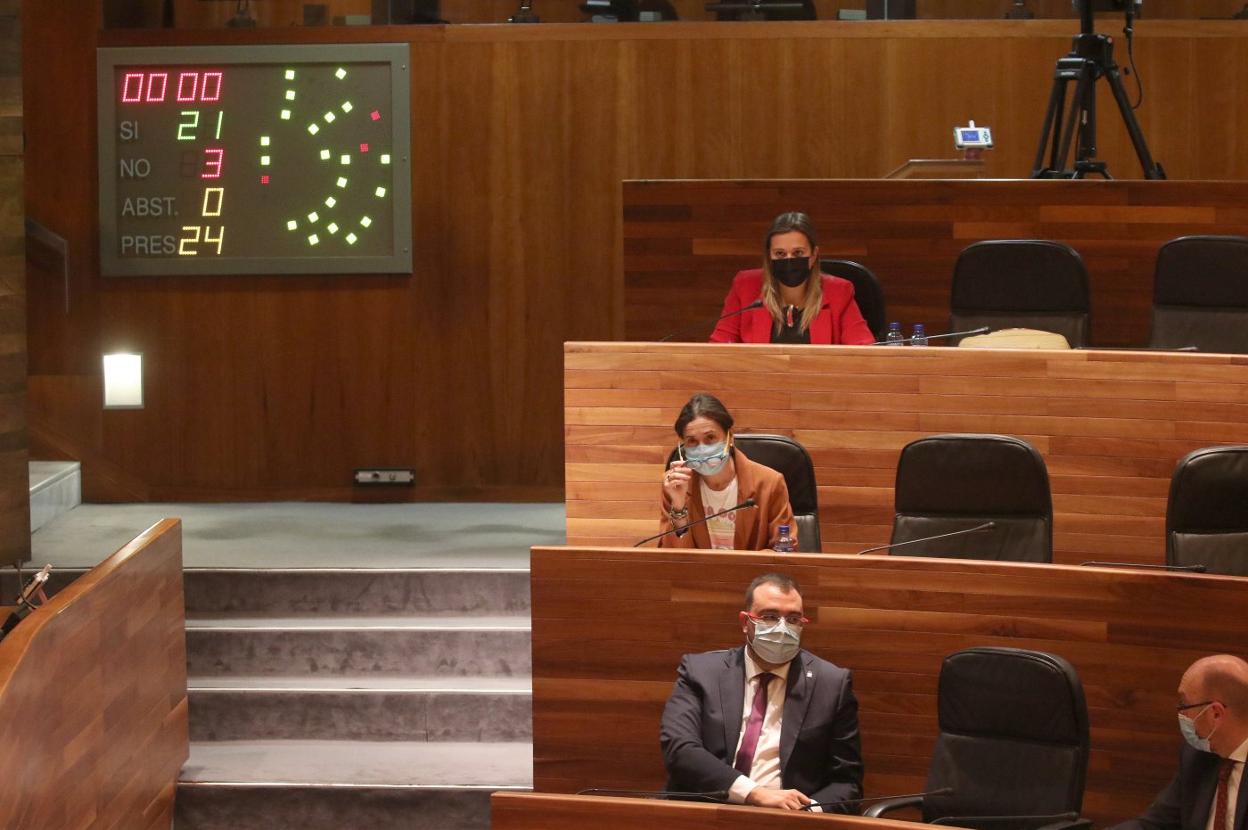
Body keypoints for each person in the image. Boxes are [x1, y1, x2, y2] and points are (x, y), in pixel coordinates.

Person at [660, 573, 863, 811]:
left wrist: (808, 811)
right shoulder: (701, 672)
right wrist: (753, 793)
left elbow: (846, 783)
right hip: (705, 811)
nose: (782, 628)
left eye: (793, 619)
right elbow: (680, 751)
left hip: (787, 823)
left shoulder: (831, 684)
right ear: (745, 622)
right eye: (770, 616)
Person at [1110, 654, 1248, 830]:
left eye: (1185, 705)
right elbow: (1154, 825)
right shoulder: (1197, 756)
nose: (1182, 715)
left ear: (1216, 713)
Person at [710, 211, 875, 345]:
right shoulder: (745, 286)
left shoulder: (839, 292)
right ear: (769, 257)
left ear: (813, 255)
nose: (789, 259)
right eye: (780, 254)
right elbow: (719, 348)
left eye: (798, 253)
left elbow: (863, 350)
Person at [659, 393, 796, 550]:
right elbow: (670, 560)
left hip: (754, 573)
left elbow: (784, 553)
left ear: (730, 437)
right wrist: (678, 507)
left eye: (710, 437)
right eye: (692, 441)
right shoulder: (675, 485)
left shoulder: (770, 483)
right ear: (683, 446)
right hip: (699, 574)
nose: (702, 448)